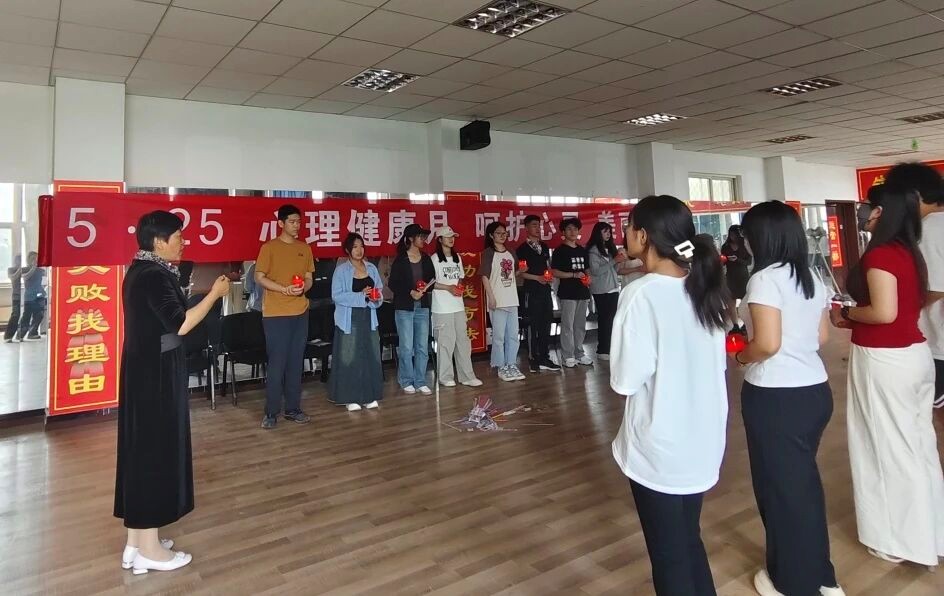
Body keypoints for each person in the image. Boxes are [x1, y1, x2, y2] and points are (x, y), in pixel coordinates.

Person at [610, 195, 728, 596]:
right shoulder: (704, 286)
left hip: (660, 448)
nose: (625, 233)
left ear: (643, 236)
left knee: (669, 556)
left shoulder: (641, 294)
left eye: (629, 227)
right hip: (703, 442)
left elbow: (625, 381)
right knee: (688, 540)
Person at [830, 180, 944, 567]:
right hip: (913, 354)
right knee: (918, 446)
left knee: (885, 448)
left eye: (870, 206)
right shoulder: (909, 252)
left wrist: (846, 312)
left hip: (884, 359)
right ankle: (931, 533)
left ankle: (899, 542)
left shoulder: (880, 255)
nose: (865, 212)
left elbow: (883, 312)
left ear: (883, 211)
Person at [736, 201, 845, 596]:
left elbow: (766, 344)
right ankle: (822, 576)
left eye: (747, 235)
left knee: (780, 491)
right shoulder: (811, 276)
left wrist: (740, 356)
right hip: (814, 391)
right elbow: (822, 337)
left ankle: (791, 583)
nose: (745, 243)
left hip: (776, 397)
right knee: (801, 486)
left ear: (760, 238)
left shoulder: (765, 279)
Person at [115, 210, 230, 574]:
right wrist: (213, 295)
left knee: (142, 452)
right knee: (154, 454)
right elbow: (180, 323)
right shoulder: (153, 275)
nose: (184, 242)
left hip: (146, 368)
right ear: (159, 241)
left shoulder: (141, 270)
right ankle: (149, 551)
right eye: (179, 237)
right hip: (156, 375)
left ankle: (137, 542)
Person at [886, 163, 944, 409]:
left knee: (933, 411)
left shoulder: (930, 227)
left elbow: (936, 287)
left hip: (938, 343)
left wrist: (896, 311)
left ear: (915, 195)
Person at [254, 205, 314, 429]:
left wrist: (303, 288)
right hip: (276, 313)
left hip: (300, 311)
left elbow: (308, 277)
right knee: (277, 364)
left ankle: (293, 409)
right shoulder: (269, 248)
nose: (296, 225)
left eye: (299, 222)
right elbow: (259, 277)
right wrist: (283, 289)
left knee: (296, 362)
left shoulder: (304, 248)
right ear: (281, 223)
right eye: (292, 221)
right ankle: (271, 412)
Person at [328, 233, 384, 411]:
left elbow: (379, 290)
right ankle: (349, 397)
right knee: (349, 357)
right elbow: (337, 295)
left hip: (369, 317)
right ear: (348, 250)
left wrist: (375, 298)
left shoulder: (371, 268)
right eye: (355, 247)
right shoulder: (341, 270)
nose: (359, 250)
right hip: (349, 318)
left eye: (361, 246)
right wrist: (361, 296)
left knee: (370, 355)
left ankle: (369, 395)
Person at [430, 226, 482, 388]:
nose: (451, 239)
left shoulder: (457, 257)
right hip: (441, 308)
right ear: (440, 240)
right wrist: (448, 288)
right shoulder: (434, 259)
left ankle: (467, 376)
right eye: (447, 237)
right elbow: (430, 283)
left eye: (452, 236)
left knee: (463, 342)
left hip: (458, 305)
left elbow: (460, 277)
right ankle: (445, 376)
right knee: (445, 342)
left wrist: (458, 286)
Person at [388, 223, 435, 395]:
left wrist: (424, 288)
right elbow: (393, 283)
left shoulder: (426, 258)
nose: (423, 240)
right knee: (406, 346)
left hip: (422, 306)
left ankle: (420, 380)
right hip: (404, 307)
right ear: (410, 239)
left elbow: (432, 280)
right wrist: (410, 292)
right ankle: (406, 380)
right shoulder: (401, 259)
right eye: (420, 237)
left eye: (424, 237)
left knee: (422, 345)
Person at [481, 221, 525, 382]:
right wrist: (491, 297)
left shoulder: (511, 252)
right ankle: (501, 366)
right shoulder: (488, 253)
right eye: (498, 233)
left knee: (513, 334)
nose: (502, 236)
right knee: (499, 336)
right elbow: (485, 276)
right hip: (497, 299)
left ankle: (511, 363)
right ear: (491, 235)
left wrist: (521, 271)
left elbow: (513, 274)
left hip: (512, 298)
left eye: (504, 233)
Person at [517, 215, 560, 373]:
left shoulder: (544, 247)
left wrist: (548, 276)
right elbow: (521, 273)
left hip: (545, 291)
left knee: (545, 323)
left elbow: (547, 266)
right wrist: (538, 278)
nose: (538, 228)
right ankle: (533, 358)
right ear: (526, 228)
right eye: (534, 225)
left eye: (539, 225)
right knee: (532, 325)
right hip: (531, 291)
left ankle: (544, 357)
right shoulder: (522, 249)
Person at [552, 218, 592, 367]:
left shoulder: (582, 250)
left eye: (575, 229)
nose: (573, 232)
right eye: (569, 229)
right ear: (563, 232)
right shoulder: (559, 251)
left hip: (582, 291)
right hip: (567, 293)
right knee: (567, 325)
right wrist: (573, 275)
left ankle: (579, 353)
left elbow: (587, 269)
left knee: (580, 325)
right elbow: (554, 271)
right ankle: (567, 355)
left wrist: (588, 278)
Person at [586, 222, 629, 360]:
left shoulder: (610, 249)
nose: (608, 234)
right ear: (598, 233)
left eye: (609, 232)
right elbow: (596, 271)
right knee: (605, 319)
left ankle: (610, 348)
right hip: (601, 289)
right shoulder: (593, 250)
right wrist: (614, 261)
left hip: (613, 287)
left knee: (611, 320)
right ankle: (602, 350)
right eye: (605, 231)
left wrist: (618, 261)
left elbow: (615, 270)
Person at [721, 225, 752, 332]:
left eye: (734, 234)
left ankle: (746, 324)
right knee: (731, 302)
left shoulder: (745, 246)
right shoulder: (725, 246)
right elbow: (722, 261)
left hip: (743, 276)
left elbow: (749, 262)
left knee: (746, 301)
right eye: (731, 234)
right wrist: (724, 260)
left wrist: (737, 259)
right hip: (730, 276)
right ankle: (735, 325)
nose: (732, 237)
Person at [16, 251, 46, 341]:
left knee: (39, 314)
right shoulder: (24, 269)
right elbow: (25, 277)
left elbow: (44, 281)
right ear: (28, 260)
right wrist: (33, 268)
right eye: (33, 258)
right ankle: (20, 335)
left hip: (39, 295)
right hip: (29, 296)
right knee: (26, 316)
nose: (35, 260)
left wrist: (43, 291)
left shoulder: (41, 270)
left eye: (37, 258)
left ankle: (33, 333)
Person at [4, 255, 21, 343]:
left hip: (25, 295)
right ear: (15, 261)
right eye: (18, 260)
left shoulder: (24, 269)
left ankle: (20, 335)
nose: (19, 262)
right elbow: (13, 277)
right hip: (16, 295)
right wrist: (19, 270)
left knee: (23, 315)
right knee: (15, 314)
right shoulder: (10, 269)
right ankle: (8, 336)